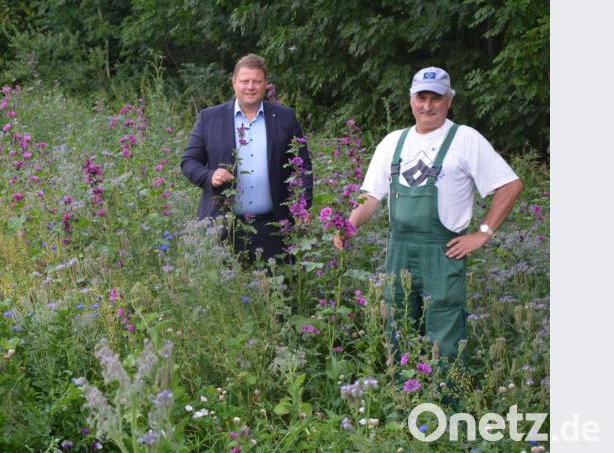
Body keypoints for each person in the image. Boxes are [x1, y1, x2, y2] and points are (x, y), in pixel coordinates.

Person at [334, 66, 523, 360]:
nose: (428, 106)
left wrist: (483, 233)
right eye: (421, 97)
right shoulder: (392, 142)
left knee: (445, 339)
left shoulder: (465, 139)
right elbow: (370, 197)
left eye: (436, 98)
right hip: (399, 253)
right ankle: (403, 397)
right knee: (397, 330)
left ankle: (447, 401)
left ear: (448, 101)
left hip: (443, 254)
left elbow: (510, 185)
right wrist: (350, 224)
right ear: (411, 100)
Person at [181, 53, 313, 263]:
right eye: (244, 81)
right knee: (226, 294)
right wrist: (210, 176)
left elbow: (303, 166)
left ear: (265, 84)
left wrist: (302, 204)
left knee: (276, 291)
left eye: (256, 81)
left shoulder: (285, 118)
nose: (250, 87)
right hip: (224, 227)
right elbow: (189, 162)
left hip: (275, 228)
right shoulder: (209, 118)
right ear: (234, 83)